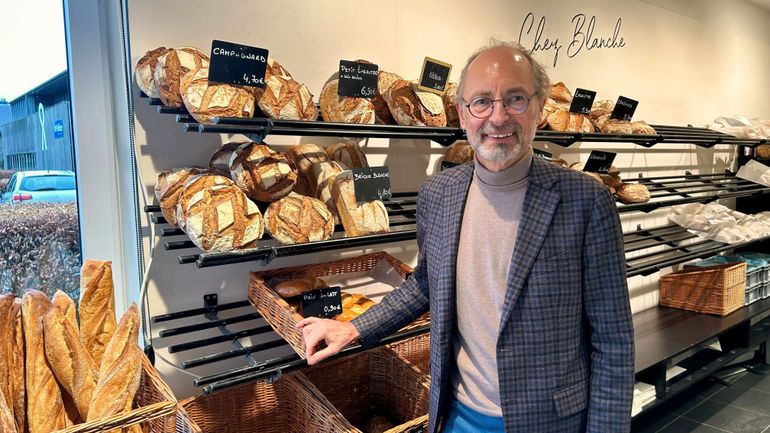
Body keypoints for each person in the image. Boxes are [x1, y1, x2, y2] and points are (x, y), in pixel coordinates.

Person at [296, 40, 634, 433]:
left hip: (549, 421)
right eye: (481, 102)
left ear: (540, 108)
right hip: (456, 416)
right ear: (461, 113)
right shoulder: (439, 193)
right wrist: (355, 328)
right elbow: (425, 283)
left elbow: (613, 342)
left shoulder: (586, 200)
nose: (498, 116)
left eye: (516, 98)